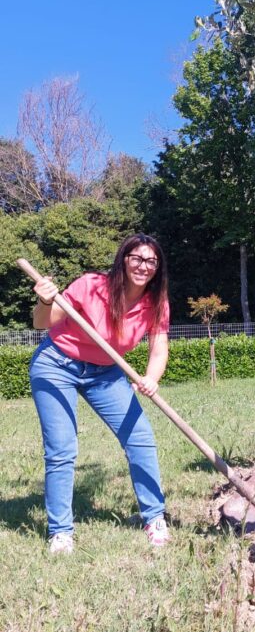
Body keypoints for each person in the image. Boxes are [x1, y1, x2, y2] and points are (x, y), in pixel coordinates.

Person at [29, 233, 172, 554]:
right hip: (56, 364)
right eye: (136, 258)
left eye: (151, 261)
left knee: (140, 437)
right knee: (62, 449)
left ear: (158, 267)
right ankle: (61, 532)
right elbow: (42, 323)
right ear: (124, 259)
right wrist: (45, 300)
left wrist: (151, 377)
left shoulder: (156, 302)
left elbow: (159, 347)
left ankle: (154, 517)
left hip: (105, 373)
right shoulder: (91, 285)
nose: (143, 266)